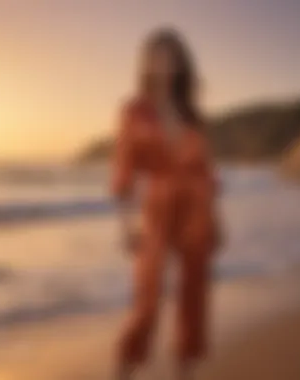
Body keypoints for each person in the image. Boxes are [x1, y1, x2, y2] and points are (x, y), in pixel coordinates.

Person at [111, 27, 221, 380]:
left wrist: (216, 219)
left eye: (170, 56)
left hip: (198, 207)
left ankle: (184, 375)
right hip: (157, 206)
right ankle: (123, 371)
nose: (163, 64)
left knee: (194, 300)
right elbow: (124, 169)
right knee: (147, 301)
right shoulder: (133, 111)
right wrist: (126, 225)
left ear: (179, 63)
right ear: (146, 63)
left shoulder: (192, 114)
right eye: (156, 56)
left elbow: (206, 170)